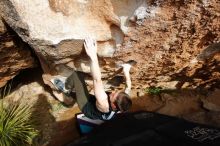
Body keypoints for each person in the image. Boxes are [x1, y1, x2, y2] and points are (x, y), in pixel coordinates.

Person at [51, 37, 133, 120]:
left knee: (77, 75)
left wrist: (93, 55)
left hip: (87, 108)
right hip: (96, 106)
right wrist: (126, 70)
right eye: (116, 91)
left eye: (113, 95)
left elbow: (97, 80)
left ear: (113, 105)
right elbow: (128, 86)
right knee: (78, 93)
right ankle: (71, 93)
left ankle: (66, 88)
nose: (113, 91)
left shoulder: (103, 102)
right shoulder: (122, 102)